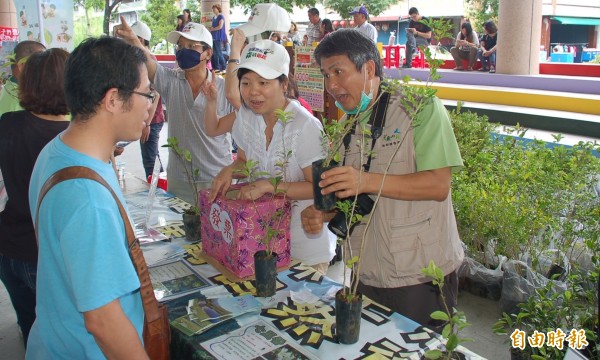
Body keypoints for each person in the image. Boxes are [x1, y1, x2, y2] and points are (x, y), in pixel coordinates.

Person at [303, 29, 464, 330]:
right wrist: (323, 213)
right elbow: (355, 197)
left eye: (338, 71)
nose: (331, 85)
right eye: (326, 75)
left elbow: (438, 185)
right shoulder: (348, 124)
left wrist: (365, 180)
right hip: (366, 270)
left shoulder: (420, 108)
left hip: (419, 275)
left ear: (369, 69)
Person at [27, 36, 149, 358]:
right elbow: (104, 323)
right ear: (113, 99)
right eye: (145, 93)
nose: (150, 103)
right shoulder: (88, 199)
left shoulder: (56, 151)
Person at [206, 32, 337, 274]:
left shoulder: (304, 126)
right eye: (246, 83)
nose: (253, 92)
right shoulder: (247, 116)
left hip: (304, 247)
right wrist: (229, 170)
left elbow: (319, 187)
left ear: (284, 84)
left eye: (263, 83)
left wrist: (269, 186)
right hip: (261, 241)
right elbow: (244, 160)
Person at [116, 18, 233, 206]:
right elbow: (148, 61)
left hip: (215, 178)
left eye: (191, 46)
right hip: (179, 181)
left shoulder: (224, 89)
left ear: (208, 53)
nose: (183, 50)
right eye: (180, 45)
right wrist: (133, 41)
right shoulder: (171, 81)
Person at [0, 48, 70, 348]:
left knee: (29, 324)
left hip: (7, 245)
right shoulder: (71, 138)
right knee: (59, 333)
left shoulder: (7, 122)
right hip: (45, 255)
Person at [130, 21, 165, 178]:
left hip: (152, 119)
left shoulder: (149, 60)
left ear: (141, 40)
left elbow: (155, 94)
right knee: (152, 159)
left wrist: (147, 123)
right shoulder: (140, 60)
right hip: (146, 118)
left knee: (151, 162)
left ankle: (160, 196)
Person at [0, 40, 46, 117]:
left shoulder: (13, 88)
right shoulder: (18, 98)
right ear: (22, 65)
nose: (46, 69)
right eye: (42, 64)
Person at [208, 4, 227, 72]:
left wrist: (212, 29)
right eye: (213, 9)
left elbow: (220, 26)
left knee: (219, 52)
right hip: (213, 36)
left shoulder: (221, 16)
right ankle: (217, 67)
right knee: (215, 53)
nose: (213, 10)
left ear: (218, 9)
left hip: (218, 36)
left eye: (214, 8)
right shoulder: (214, 17)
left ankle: (224, 67)